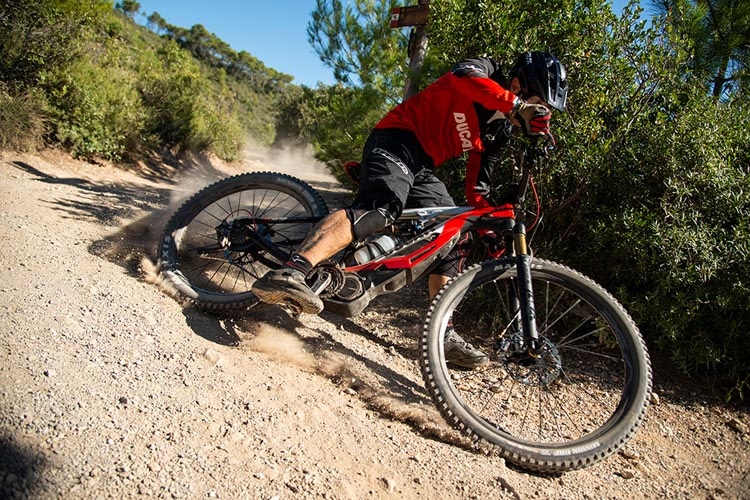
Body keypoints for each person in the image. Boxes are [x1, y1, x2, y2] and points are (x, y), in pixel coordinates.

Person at [252, 51, 568, 368]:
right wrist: (517, 106)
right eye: (539, 103)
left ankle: (441, 332)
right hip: (396, 140)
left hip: (422, 167)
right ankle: (293, 269)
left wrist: (489, 229)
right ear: (518, 85)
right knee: (380, 209)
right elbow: (463, 79)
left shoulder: (498, 132)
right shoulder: (486, 70)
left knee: (455, 232)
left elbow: (477, 189)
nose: (540, 113)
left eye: (545, 110)